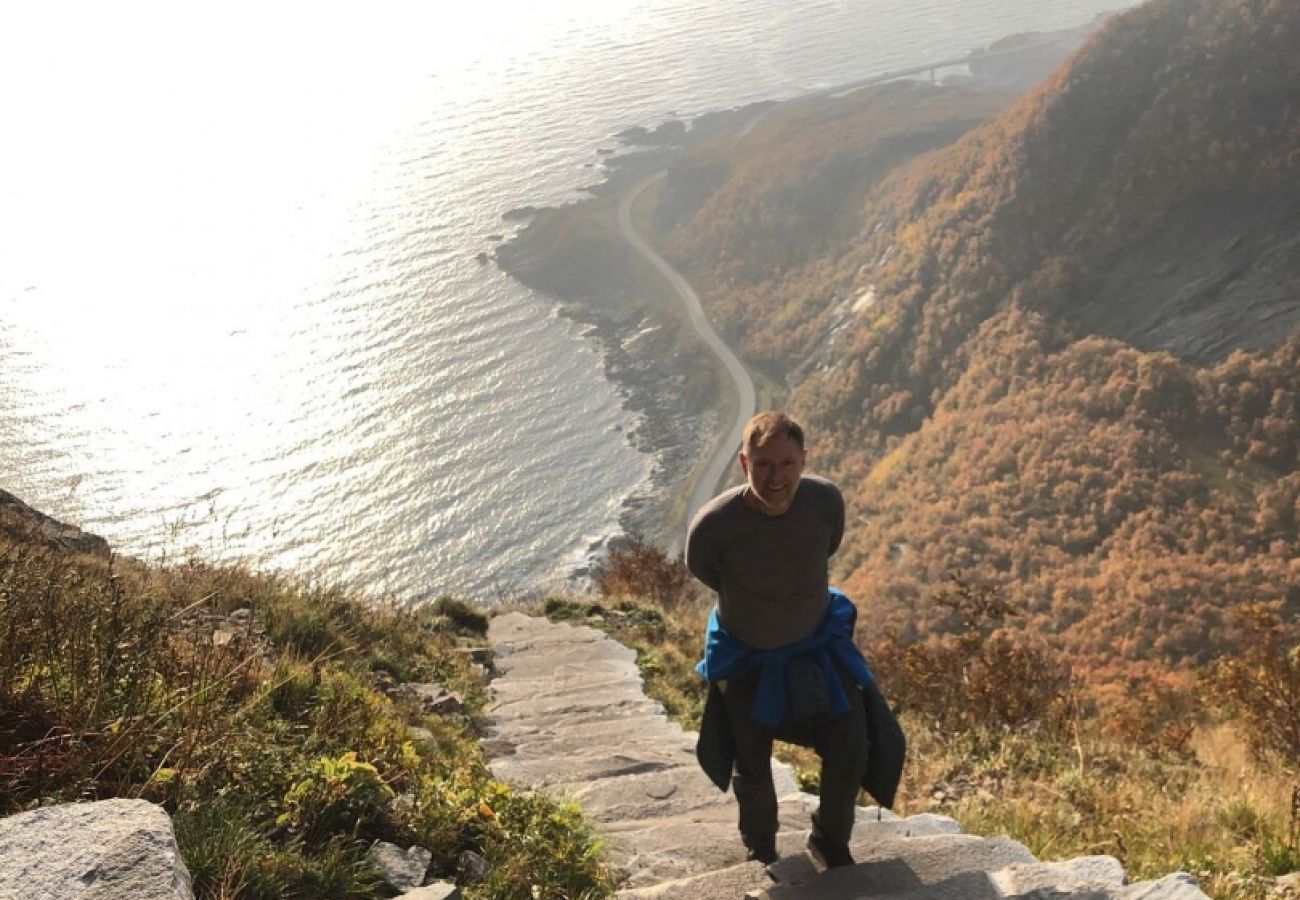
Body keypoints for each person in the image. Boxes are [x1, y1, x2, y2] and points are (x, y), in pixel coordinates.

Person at [686, 411, 891, 869]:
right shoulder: (715, 524)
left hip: (815, 651)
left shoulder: (823, 502)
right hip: (746, 658)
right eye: (763, 465)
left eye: (786, 464)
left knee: (851, 745)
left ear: (803, 461)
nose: (775, 477)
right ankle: (761, 847)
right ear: (744, 463)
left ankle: (829, 840)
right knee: (751, 762)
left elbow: (827, 544)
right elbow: (702, 568)